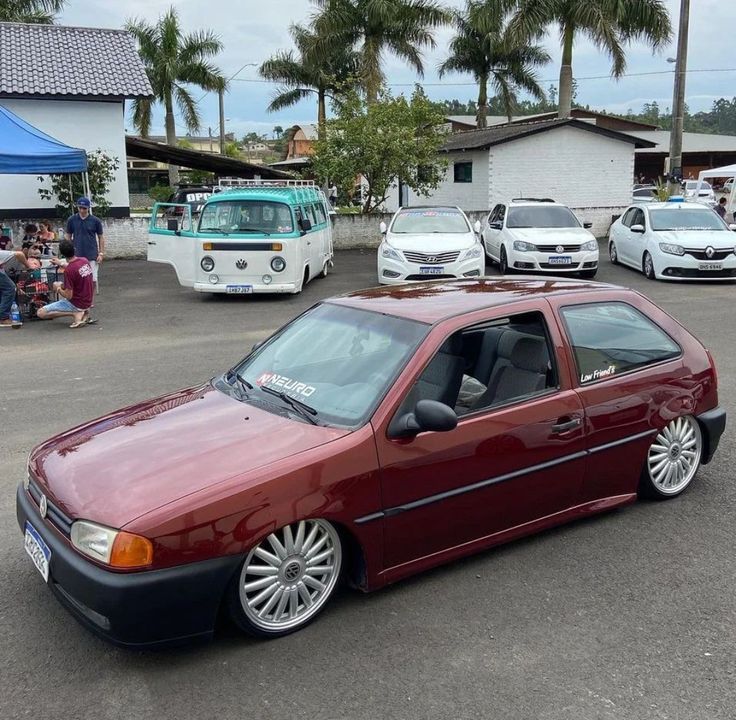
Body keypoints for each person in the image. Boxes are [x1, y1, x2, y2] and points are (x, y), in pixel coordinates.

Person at [37, 240, 94, 328]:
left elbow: (68, 296)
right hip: (88, 300)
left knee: (41, 313)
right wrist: (60, 263)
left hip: (77, 302)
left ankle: (75, 312)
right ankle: (82, 311)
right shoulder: (84, 261)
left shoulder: (69, 271)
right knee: (63, 284)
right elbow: (75, 270)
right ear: (74, 249)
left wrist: (58, 288)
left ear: (62, 254)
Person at [65, 197, 105, 291]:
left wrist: (101, 253)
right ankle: (79, 298)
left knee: (93, 278)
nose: (82, 210)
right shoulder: (72, 220)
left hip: (91, 253)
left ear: (88, 208)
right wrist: (68, 250)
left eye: (84, 208)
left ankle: (89, 298)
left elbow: (101, 237)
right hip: (76, 253)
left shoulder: (95, 221)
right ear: (77, 207)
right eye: (80, 208)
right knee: (77, 277)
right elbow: (68, 235)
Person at [0, 248, 30, 327]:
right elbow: (19, 254)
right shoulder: (18, 258)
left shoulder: (9, 264)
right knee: (10, 289)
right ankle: (3, 318)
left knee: (4, 289)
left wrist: (17, 287)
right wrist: (29, 266)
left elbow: (9, 279)